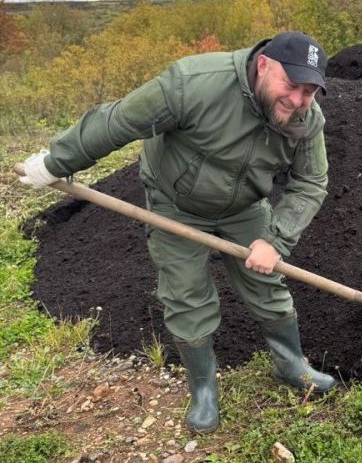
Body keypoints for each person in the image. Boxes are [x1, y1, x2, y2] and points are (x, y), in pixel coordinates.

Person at [18, 32, 337, 433]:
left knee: (268, 285)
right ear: (264, 65)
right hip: (177, 203)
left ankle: (291, 363)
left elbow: (311, 183)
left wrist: (275, 239)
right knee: (186, 294)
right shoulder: (194, 83)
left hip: (244, 207)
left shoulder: (308, 119)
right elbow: (118, 121)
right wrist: (56, 162)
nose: (298, 100)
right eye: (291, 86)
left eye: (310, 91)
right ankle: (203, 389)